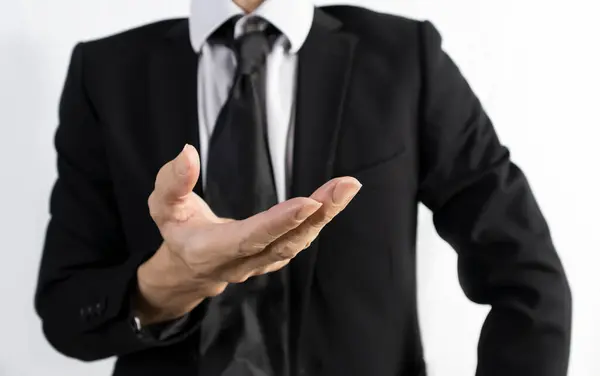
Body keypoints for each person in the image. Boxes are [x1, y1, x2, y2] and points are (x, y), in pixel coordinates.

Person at [34, 0, 572, 375]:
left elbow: (526, 276)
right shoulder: (104, 72)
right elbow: (66, 313)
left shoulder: (408, 58)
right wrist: (171, 282)